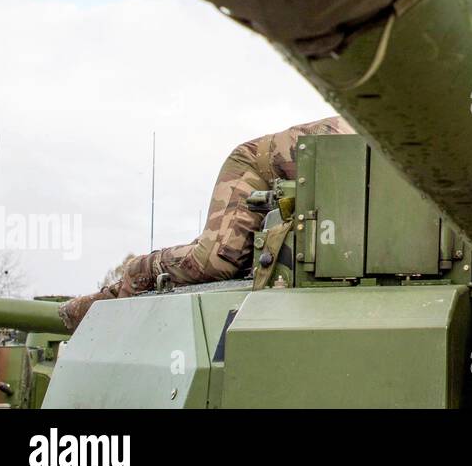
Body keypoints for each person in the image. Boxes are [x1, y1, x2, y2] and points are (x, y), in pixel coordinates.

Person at [58, 117, 352, 333]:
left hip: (306, 191)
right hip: (253, 168)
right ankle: (137, 273)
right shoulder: (367, 134)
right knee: (216, 262)